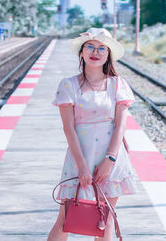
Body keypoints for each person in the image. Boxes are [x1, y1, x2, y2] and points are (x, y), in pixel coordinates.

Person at [48, 28, 138, 241]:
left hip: (111, 159)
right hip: (79, 157)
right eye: (89, 46)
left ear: (108, 55)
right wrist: (81, 166)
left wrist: (110, 160)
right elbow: (68, 128)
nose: (95, 52)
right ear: (81, 52)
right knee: (65, 220)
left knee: (103, 222)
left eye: (101, 48)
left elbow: (120, 126)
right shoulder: (68, 85)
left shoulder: (117, 84)